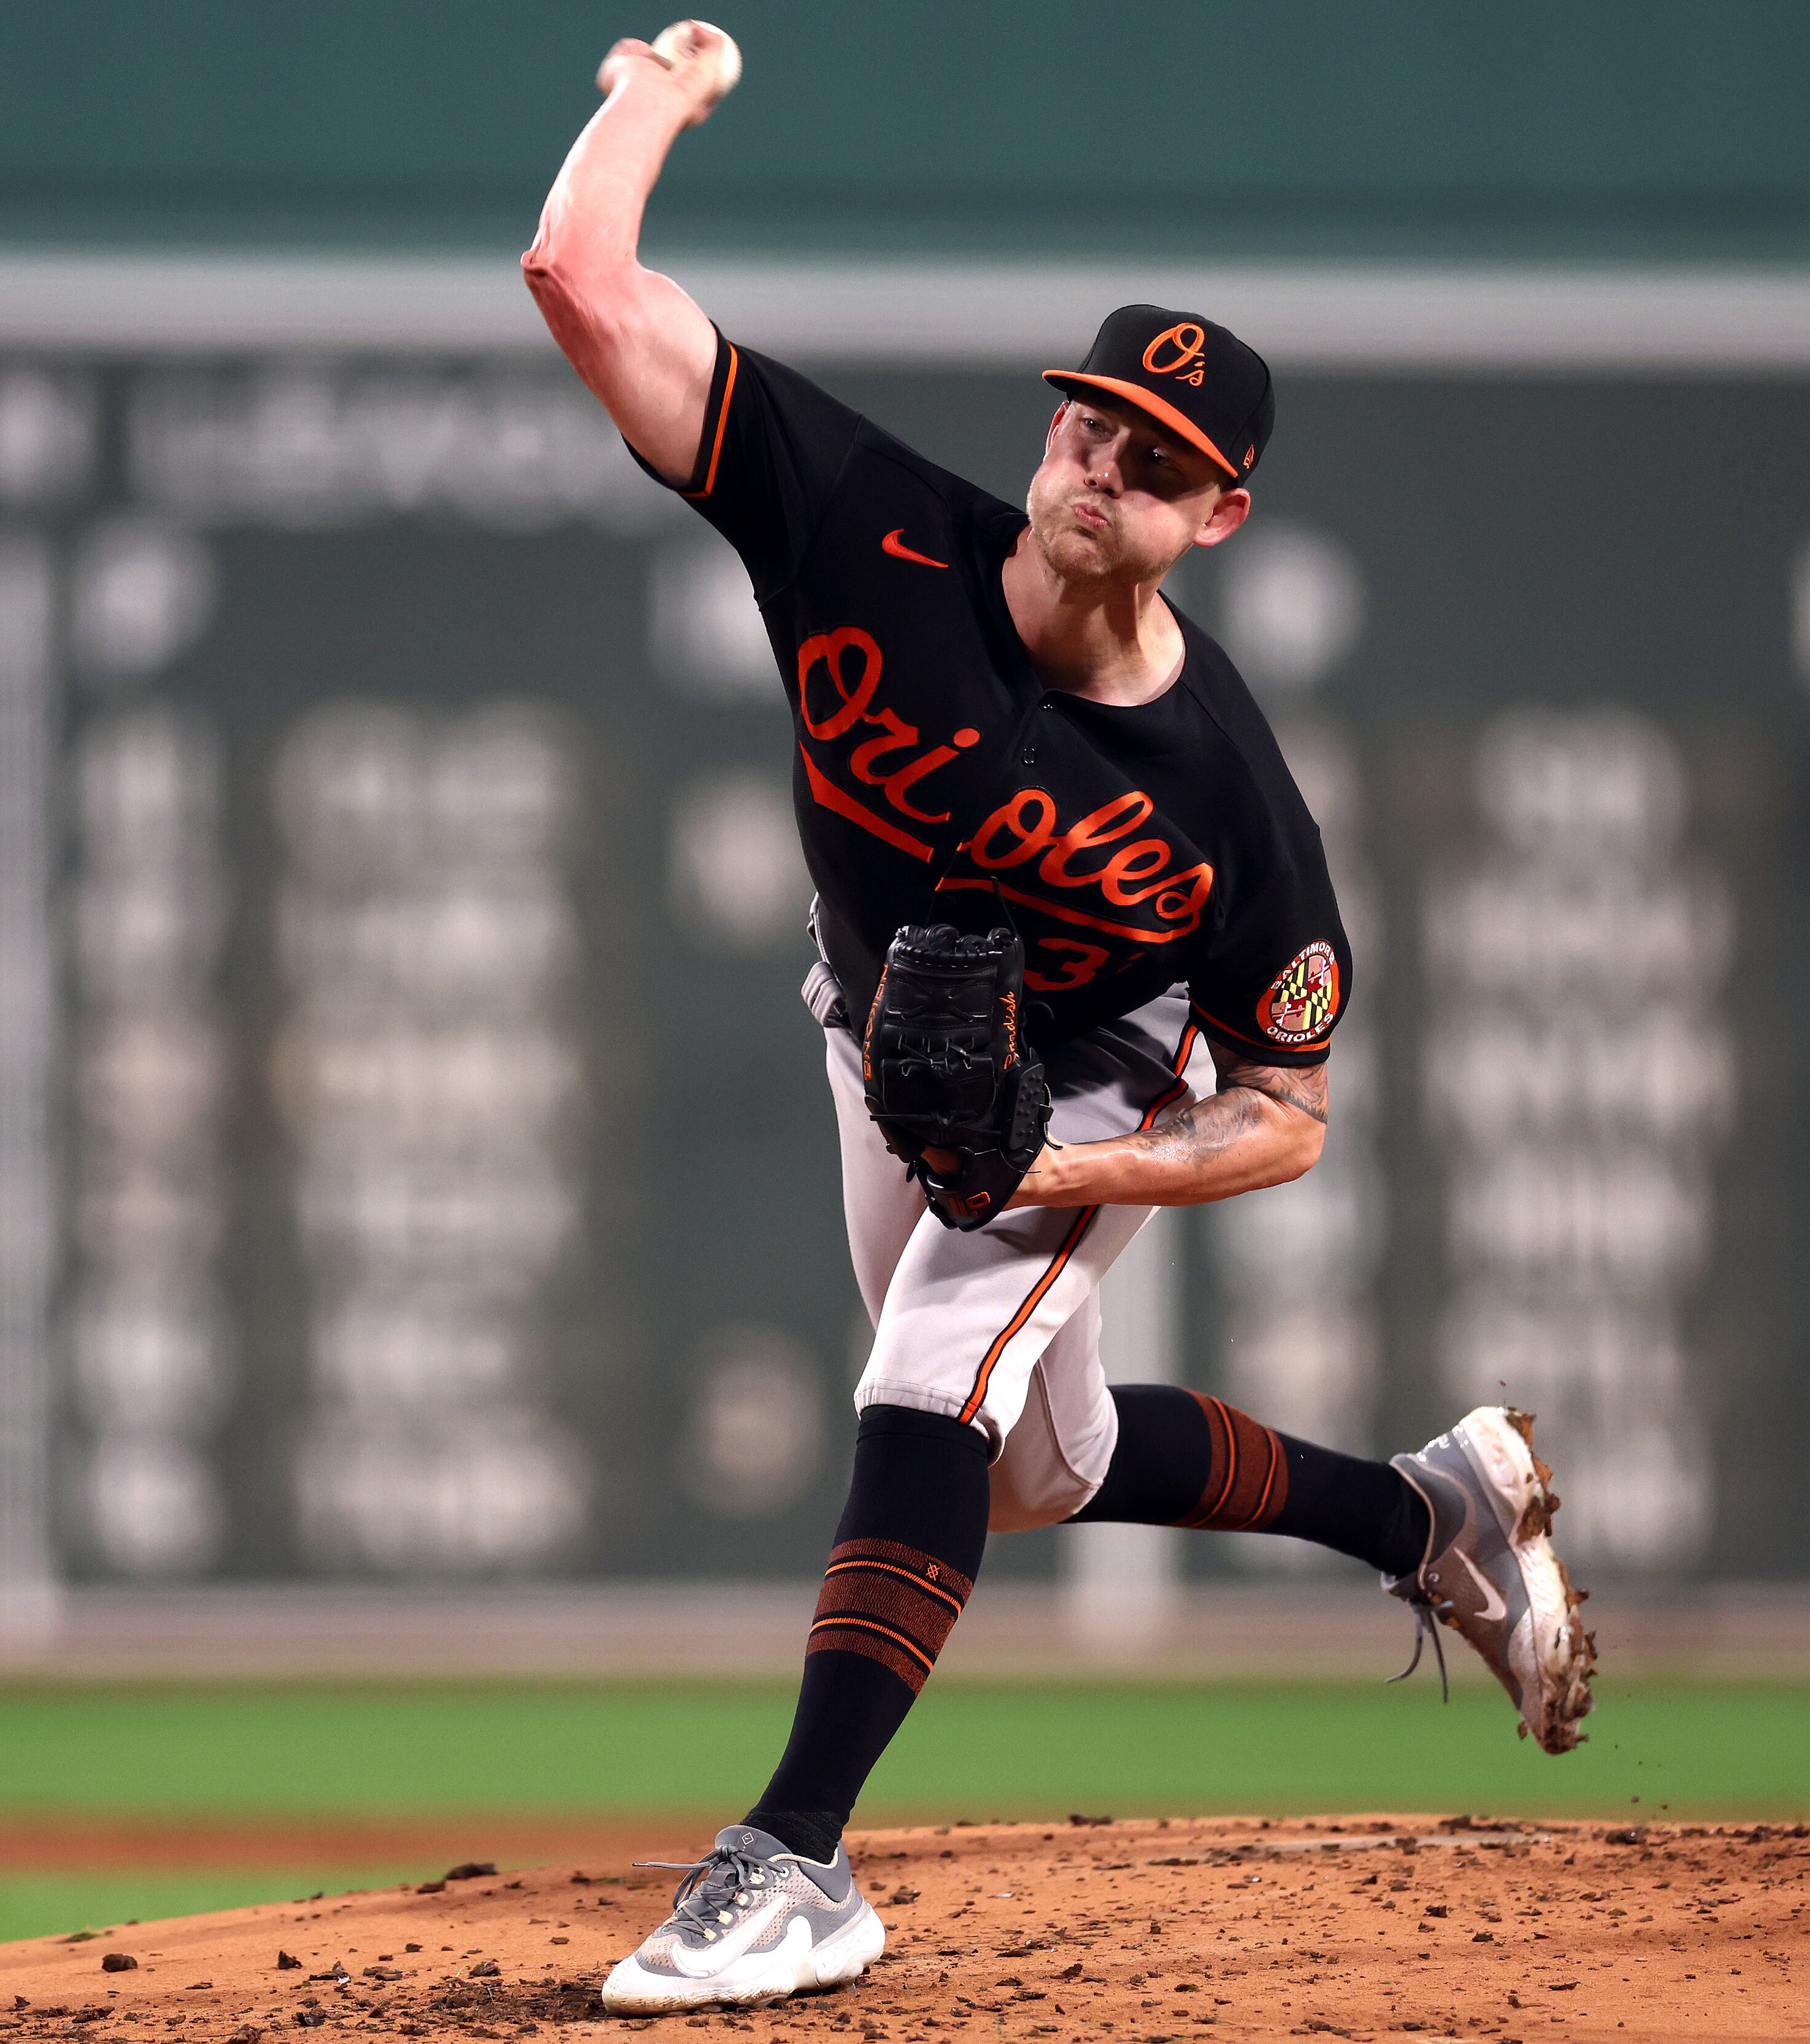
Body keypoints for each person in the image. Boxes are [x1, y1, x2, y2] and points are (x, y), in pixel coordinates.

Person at [521, 22, 1599, 2016]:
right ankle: (1421, 1511)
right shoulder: (867, 524)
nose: (1108, 465)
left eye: (1161, 461)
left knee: (930, 1379)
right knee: (1037, 1461)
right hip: (875, 1036)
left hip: (1091, 1072)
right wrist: (659, 90)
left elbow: (1289, 1104)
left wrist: (1067, 1164)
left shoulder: (1227, 790)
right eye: (1094, 424)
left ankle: (794, 1859)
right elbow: (582, 285)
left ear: (1222, 517)